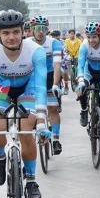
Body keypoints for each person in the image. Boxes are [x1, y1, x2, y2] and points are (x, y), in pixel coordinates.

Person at [0, 10, 51, 198]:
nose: (11, 37)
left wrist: (41, 123)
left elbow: (41, 87)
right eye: (6, 33)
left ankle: (32, 181)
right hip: (2, 90)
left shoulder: (35, 51)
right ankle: (0, 157)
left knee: (26, 131)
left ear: (23, 32)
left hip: (28, 89)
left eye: (16, 32)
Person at [75, 22, 100, 152]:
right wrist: (80, 81)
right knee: (82, 89)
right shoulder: (84, 46)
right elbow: (80, 66)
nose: (91, 40)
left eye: (94, 37)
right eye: (89, 37)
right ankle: (84, 109)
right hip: (89, 72)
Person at [30, 16, 64, 155]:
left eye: (44, 28)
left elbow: (57, 65)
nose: (41, 31)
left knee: (53, 108)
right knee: (30, 111)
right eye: (38, 28)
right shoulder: (26, 43)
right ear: (32, 29)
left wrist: (56, 84)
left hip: (50, 77)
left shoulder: (53, 43)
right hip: (33, 77)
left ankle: (56, 140)